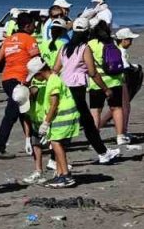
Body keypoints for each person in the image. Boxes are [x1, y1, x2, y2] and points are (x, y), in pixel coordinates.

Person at [52, 18, 121, 165]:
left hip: (65, 87)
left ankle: (102, 152)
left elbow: (55, 69)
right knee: (81, 122)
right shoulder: (84, 48)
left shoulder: (64, 48)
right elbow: (92, 72)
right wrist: (106, 89)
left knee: (83, 122)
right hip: (77, 89)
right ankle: (54, 159)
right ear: (86, 32)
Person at [0, 12, 39, 158]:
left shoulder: (9, 40)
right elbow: (37, 61)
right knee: (12, 113)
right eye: (34, 24)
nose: (35, 26)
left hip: (7, 80)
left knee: (22, 110)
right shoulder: (29, 39)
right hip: (20, 80)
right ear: (27, 26)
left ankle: (32, 142)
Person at [22, 57, 77, 188]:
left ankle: (65, 175)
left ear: (40, 72)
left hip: (63, 117)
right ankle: (60, 174)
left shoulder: (53, 81)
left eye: (35, 75)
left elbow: (54, 104)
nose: (35, 78)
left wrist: (45, 123)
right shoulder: (52, 79)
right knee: (57, 144)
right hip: (62, 117)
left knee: (56, 143)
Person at [88, 21, 127, 143]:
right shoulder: (113, 42)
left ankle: (96, 138)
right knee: (117, 108)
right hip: (115, 80)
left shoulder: (90, 44)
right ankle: (120, 136)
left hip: (97, 82)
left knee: (96, 110)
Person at [114, 27, 142, 143]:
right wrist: (135, 68)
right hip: (121, 81)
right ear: (124, 40)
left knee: (115, 109)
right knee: (125, 107)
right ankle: (122, 132)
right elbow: (125, 66)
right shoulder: (121, 51)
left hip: (117, 81)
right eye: (130, 40)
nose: (131, 42)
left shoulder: (118, 50)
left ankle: (121, 131)